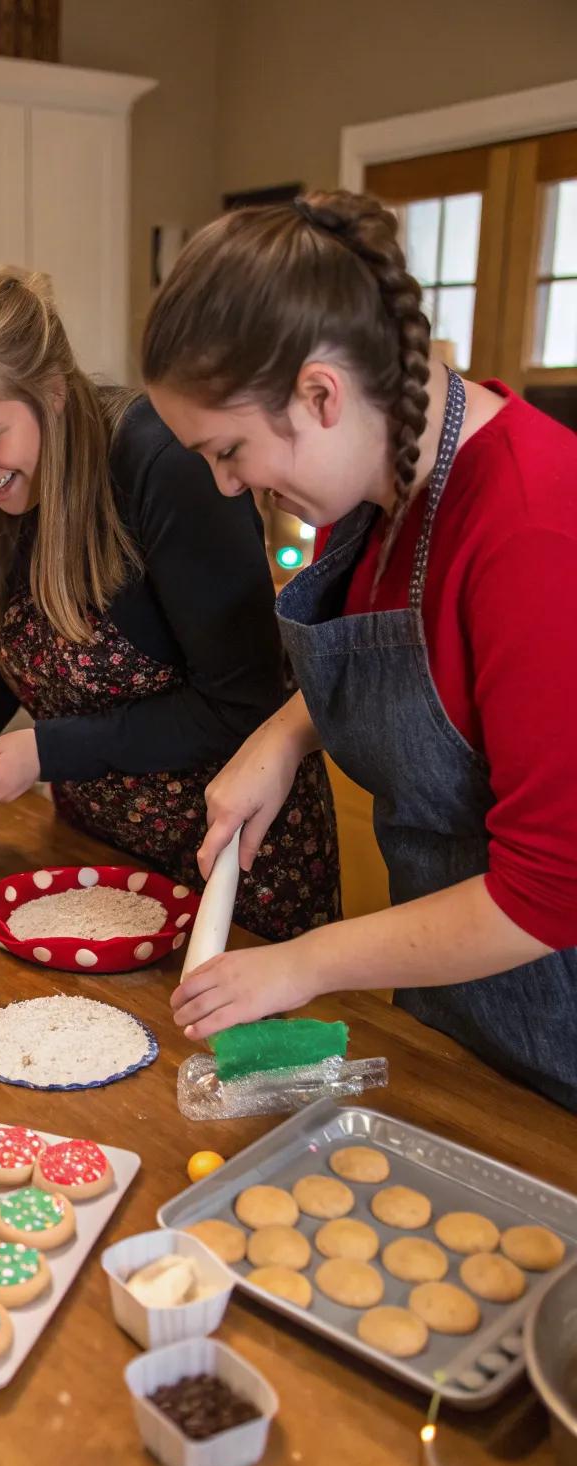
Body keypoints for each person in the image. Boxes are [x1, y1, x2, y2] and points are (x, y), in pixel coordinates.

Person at [142, 190, 577, 1110]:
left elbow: (549, 892)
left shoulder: (534, 533)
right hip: (457, 1015)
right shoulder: (385, 485)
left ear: (320, 394)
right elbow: (432, 670)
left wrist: (304, 965)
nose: (228, 488)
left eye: (230, 451)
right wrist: (284, 736)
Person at [0, 267, 339, 940]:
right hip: (98, 856)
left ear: (53, 395)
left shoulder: (162, 465)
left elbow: (242, 703)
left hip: (231, 860)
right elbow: (7, 642)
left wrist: (46, 751)